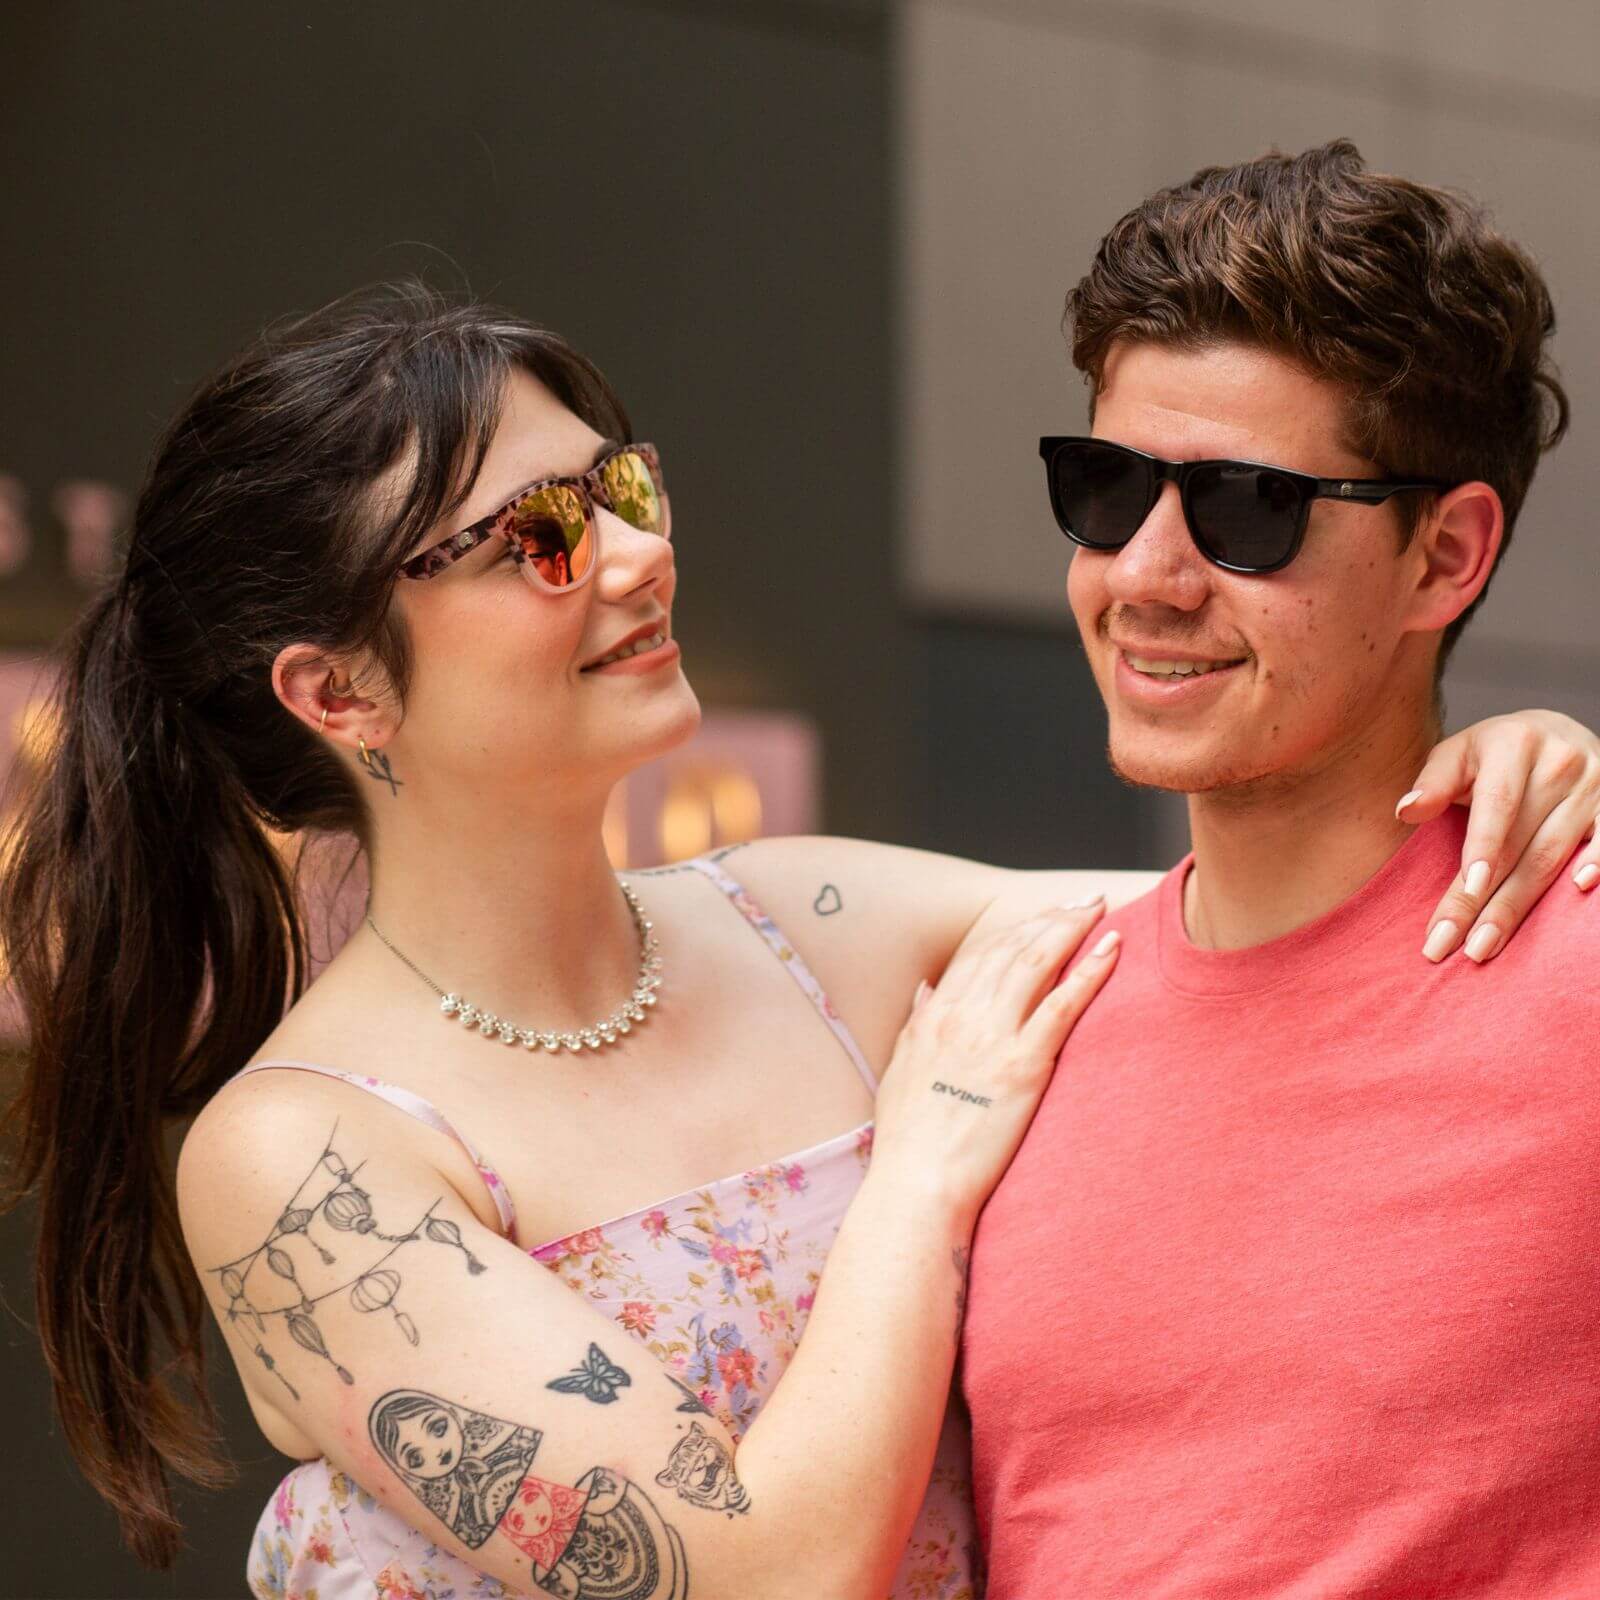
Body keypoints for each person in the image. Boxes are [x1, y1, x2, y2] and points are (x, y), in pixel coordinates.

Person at [1, 280, 1596, 1600]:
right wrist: (924, 1165)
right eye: (538, 539)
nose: (638, 555)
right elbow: (759, 1576)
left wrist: (1503, 757)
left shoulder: (811, 922)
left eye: (624, 488)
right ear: (336, 693)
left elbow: (1273, 907)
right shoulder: (305, 1152)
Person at [963, 140, 1599, 1598]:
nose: (1148, 575)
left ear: (1446, 557)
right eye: (1105, 486)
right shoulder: (1006, 1011)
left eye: (1248, 509)